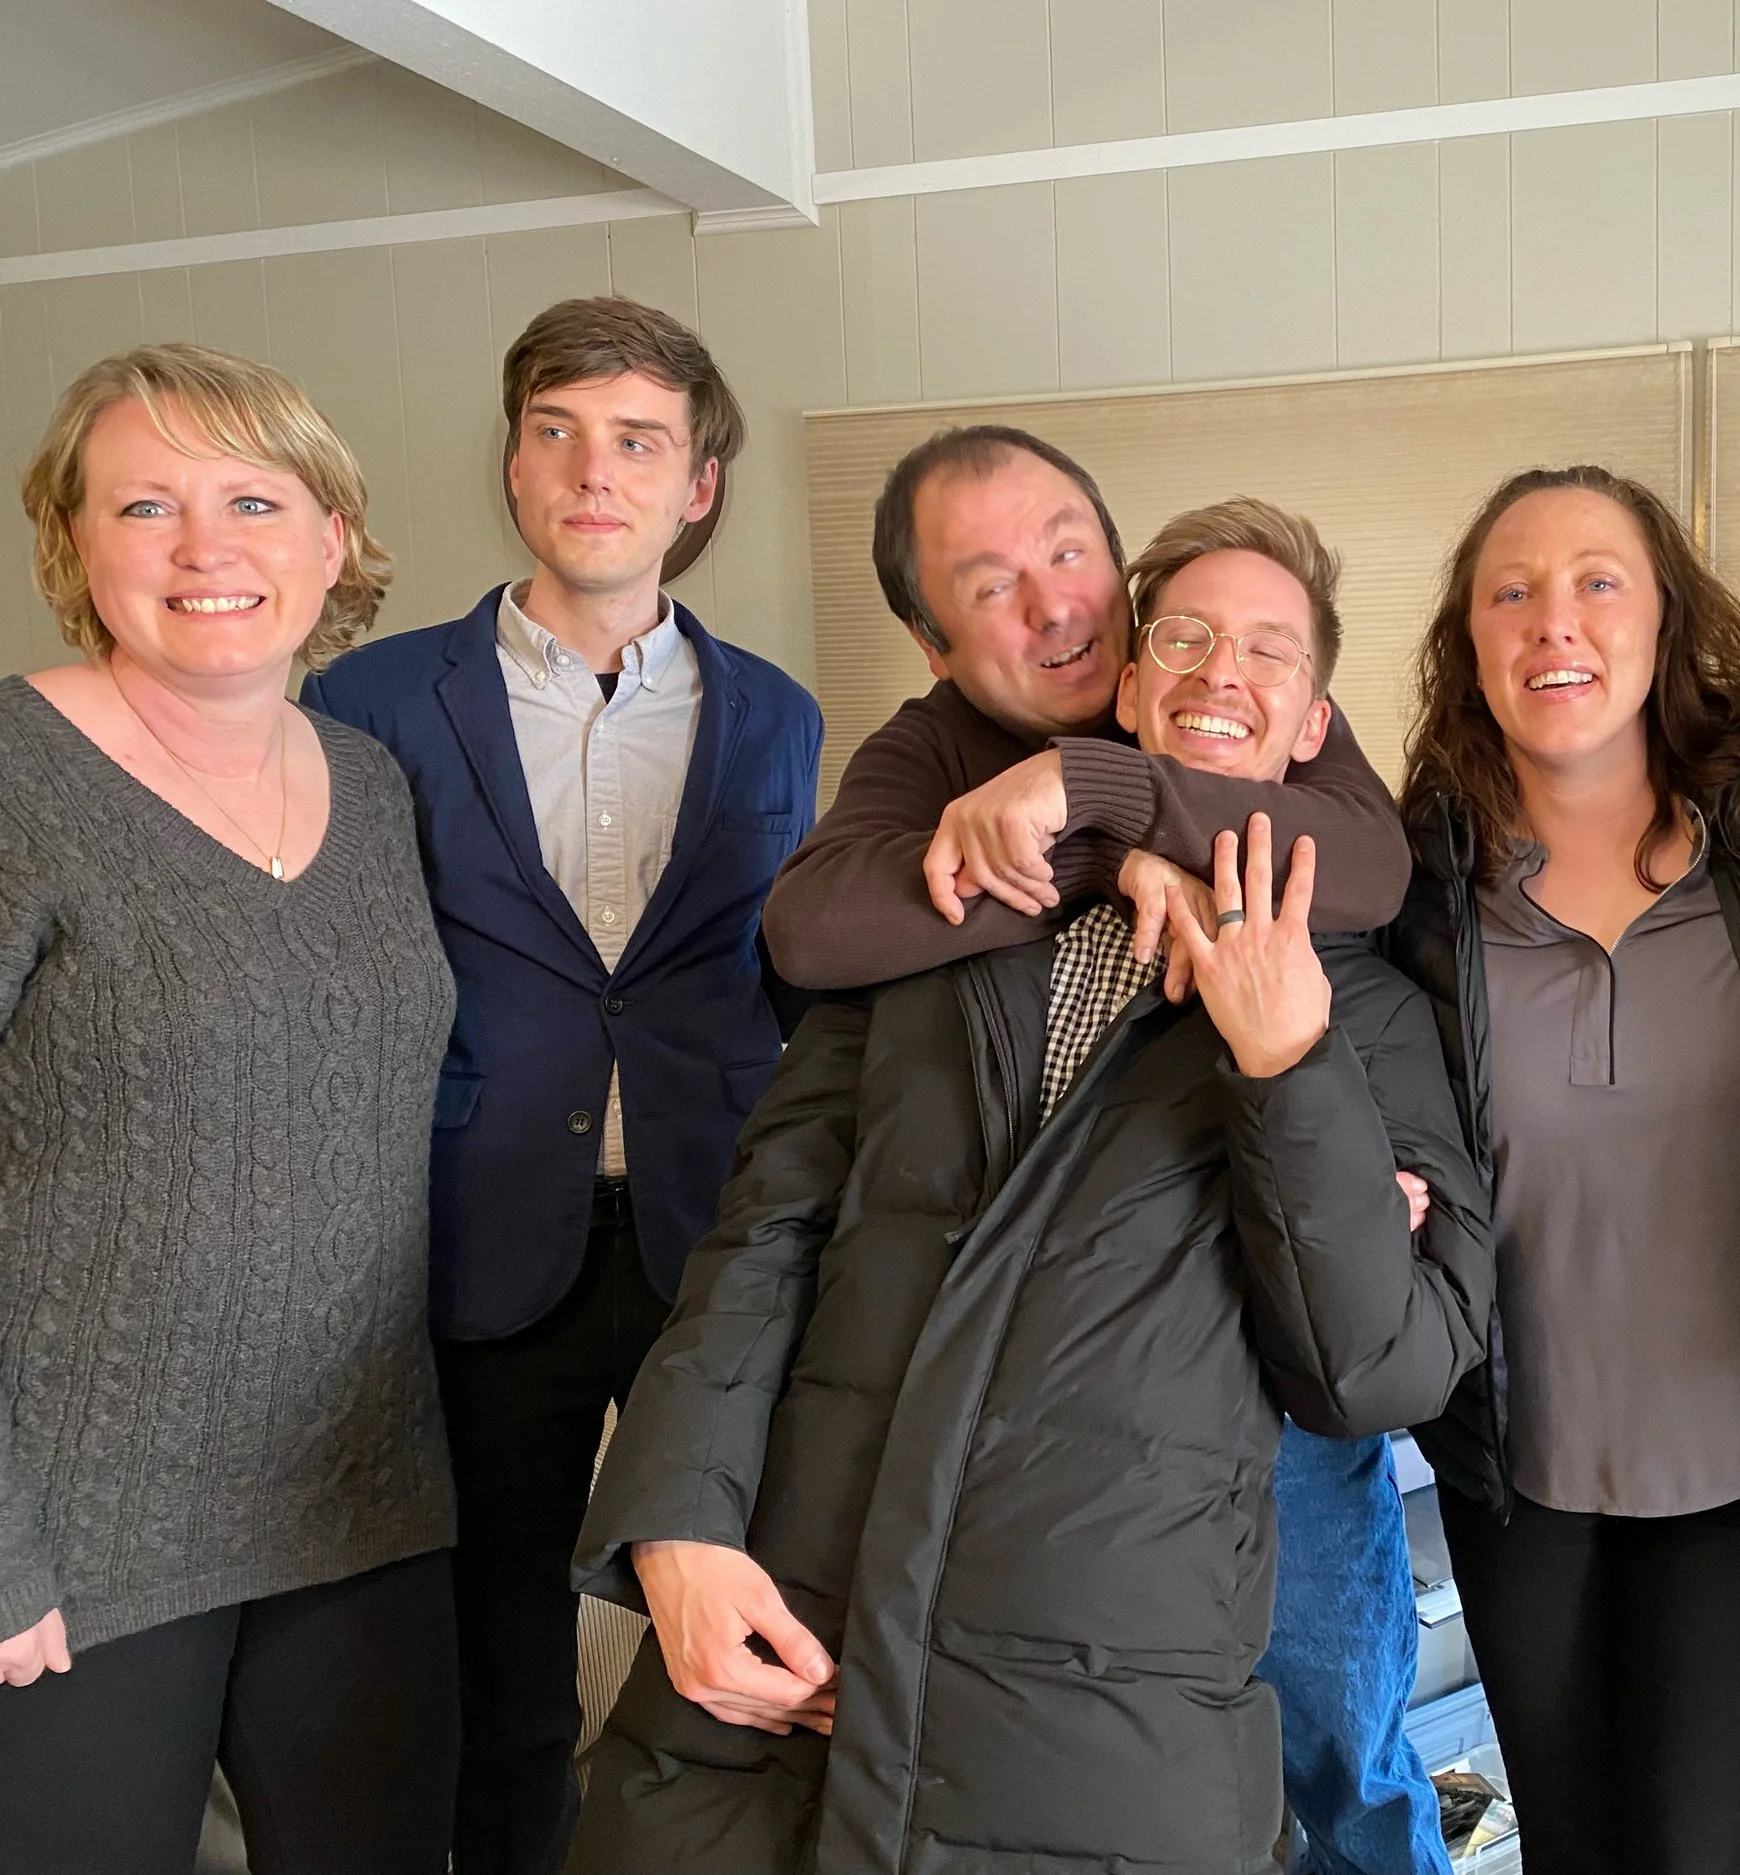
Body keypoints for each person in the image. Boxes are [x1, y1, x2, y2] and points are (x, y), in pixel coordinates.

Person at [562, 498, 1496, 1874]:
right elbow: (767, 1232)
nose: (1218, 670)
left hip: (1106, 1706)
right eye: (1182, 633)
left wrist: (1287, 1063)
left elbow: (1379, 1367)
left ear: (1314, 726)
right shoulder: (943, 917)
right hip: (784, 1635)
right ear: (1126, 682)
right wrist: (673, 1522)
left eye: (1268, 650)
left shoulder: (1361, 1001)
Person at [299, 296, 823, 1875]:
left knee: (736, 1617)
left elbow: (782, 973)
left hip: (708, 1238)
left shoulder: (778, 715)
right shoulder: (373, 704)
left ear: (698, 486)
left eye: (638, 443)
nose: (596, 472)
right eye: (559, 433)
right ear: (515, 465)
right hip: (475, 1237)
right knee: (495, 1660)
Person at [0, 343, 459, 1874]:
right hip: (75, 1536)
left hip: (360, 1506)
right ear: (72, 542)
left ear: (330, 539)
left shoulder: (374, 783)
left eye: (254, 499)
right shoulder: (16, 776)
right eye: (145, 505)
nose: (207, 550)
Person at [1383, 466, 1740, 1873]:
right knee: (1573, 1847)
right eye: (1509, 592)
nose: (1553, 622)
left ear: (1665, 622)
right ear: (1469, 641)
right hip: (1518, 1466)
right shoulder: (1416, 880)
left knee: (1700, 1850)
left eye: (1599, 581)